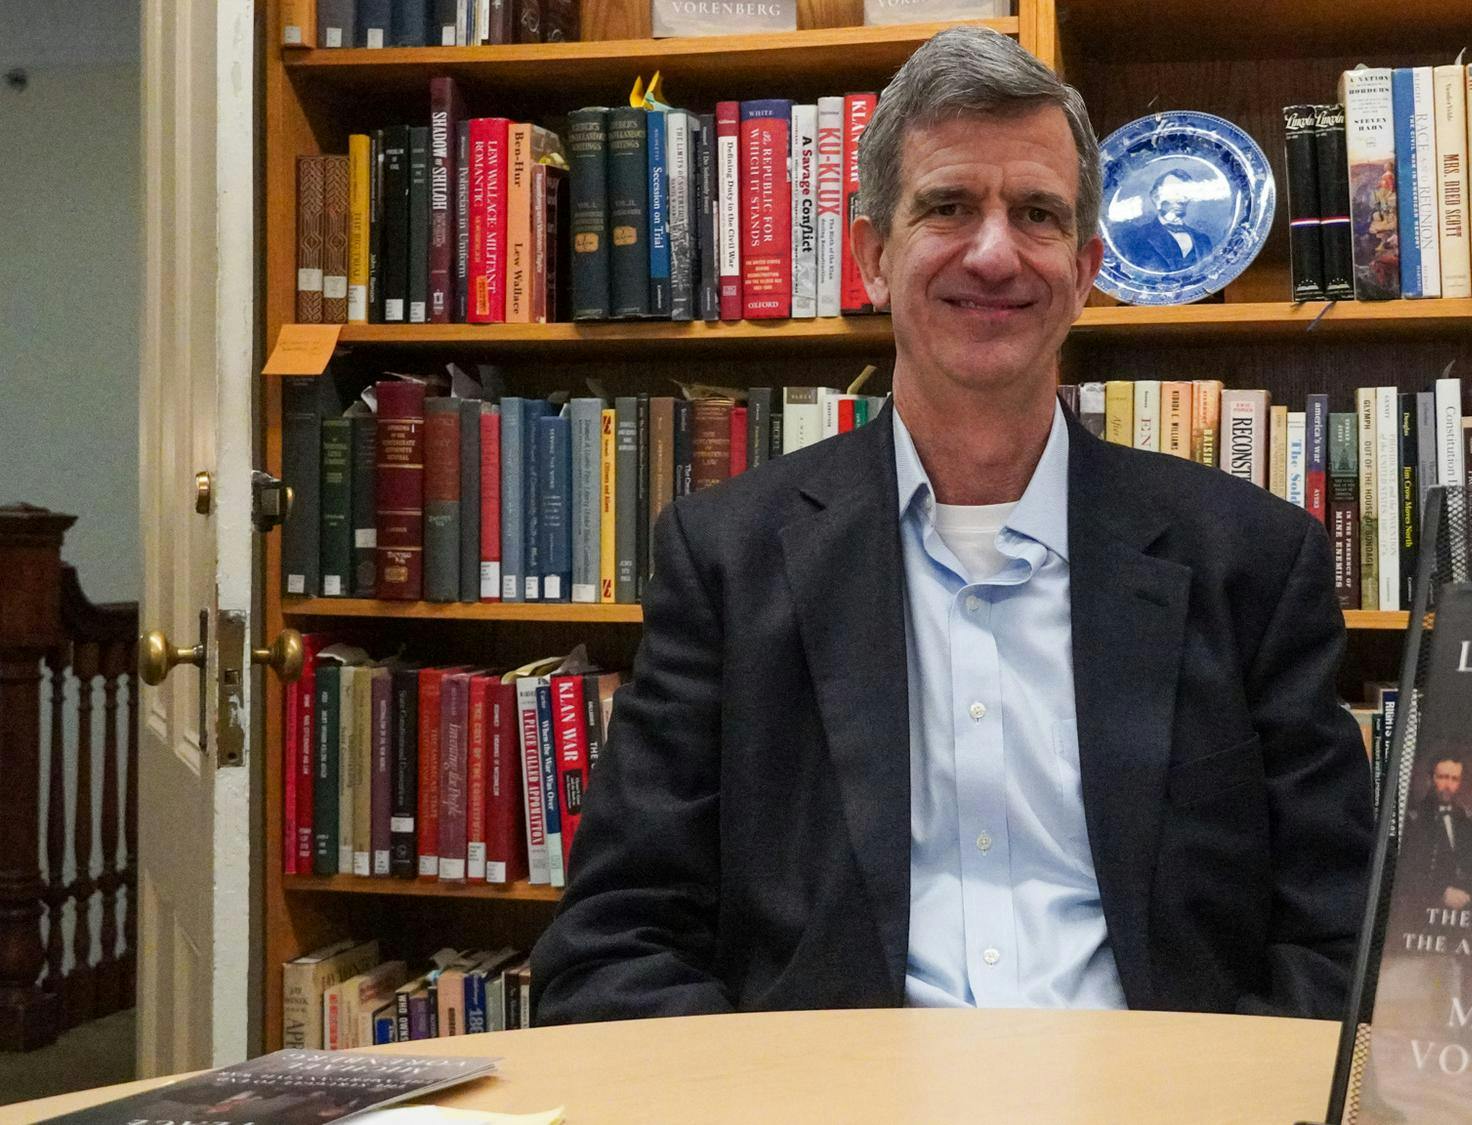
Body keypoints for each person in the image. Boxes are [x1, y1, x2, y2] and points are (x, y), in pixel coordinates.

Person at [529, 26, 1375, 1023]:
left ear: (1087, 267)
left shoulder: (1250, 561)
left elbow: (1341, 943)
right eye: (946, 207)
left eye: (1036, 214)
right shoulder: (726, 560)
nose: (992, 252)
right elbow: (612, 950)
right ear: (873, 256)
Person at [1401, 756, 1472, 911]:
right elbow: (1405, 872)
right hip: (1423, 906)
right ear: (1431, 780)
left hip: (1463, 903)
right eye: (1443, 777)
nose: (1448, 785)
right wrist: (1440, 893)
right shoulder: (1413, 819)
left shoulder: (1464, 819)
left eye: (1454, 779)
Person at [1123, 170, 1214, 272]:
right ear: (1156, 197)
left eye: (1186, 194)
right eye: (1175, 193)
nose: (1182, 199)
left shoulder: (1203, 240)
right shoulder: (1135, 238)